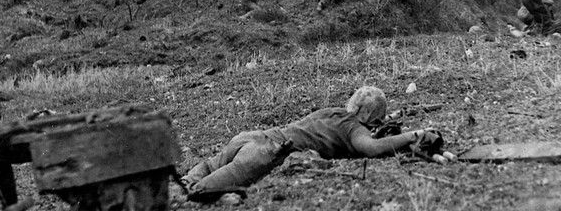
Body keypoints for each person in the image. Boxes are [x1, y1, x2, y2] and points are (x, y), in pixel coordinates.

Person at [181, 86, 442, 202]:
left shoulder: (331, 113)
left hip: (251, 137)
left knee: (209, 166)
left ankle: (184, 180)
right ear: (372, 117)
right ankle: (189, 195)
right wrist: (412, 135)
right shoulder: (354, 128)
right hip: (265, 152)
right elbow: (371, 148)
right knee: (202, 191)